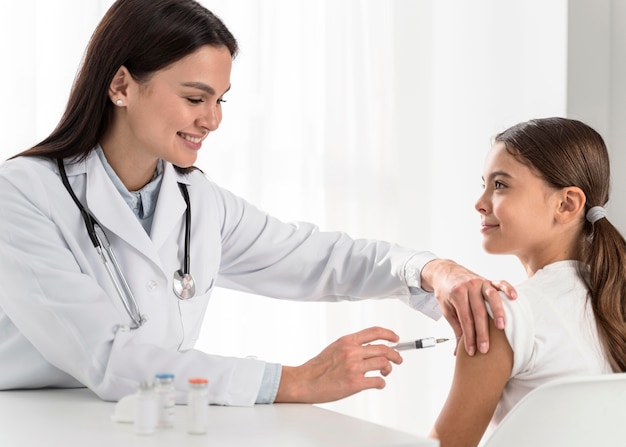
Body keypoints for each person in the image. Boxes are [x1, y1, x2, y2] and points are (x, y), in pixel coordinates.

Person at [0, 0, 513, 406]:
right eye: (196, 98)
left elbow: (318, 257)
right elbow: (105, 357)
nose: (213, 120)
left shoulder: (196, 202)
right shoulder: (24, 194)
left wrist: (431, 271)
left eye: (220, 100)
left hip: (145, 422)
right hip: (36, 426)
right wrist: (289, 381)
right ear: (121, 86)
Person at [429, 117, 626, 447]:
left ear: (566, 204)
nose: (480, 203)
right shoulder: (613, 297)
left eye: (501, 185)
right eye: (484, 185)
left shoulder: (501, 314)